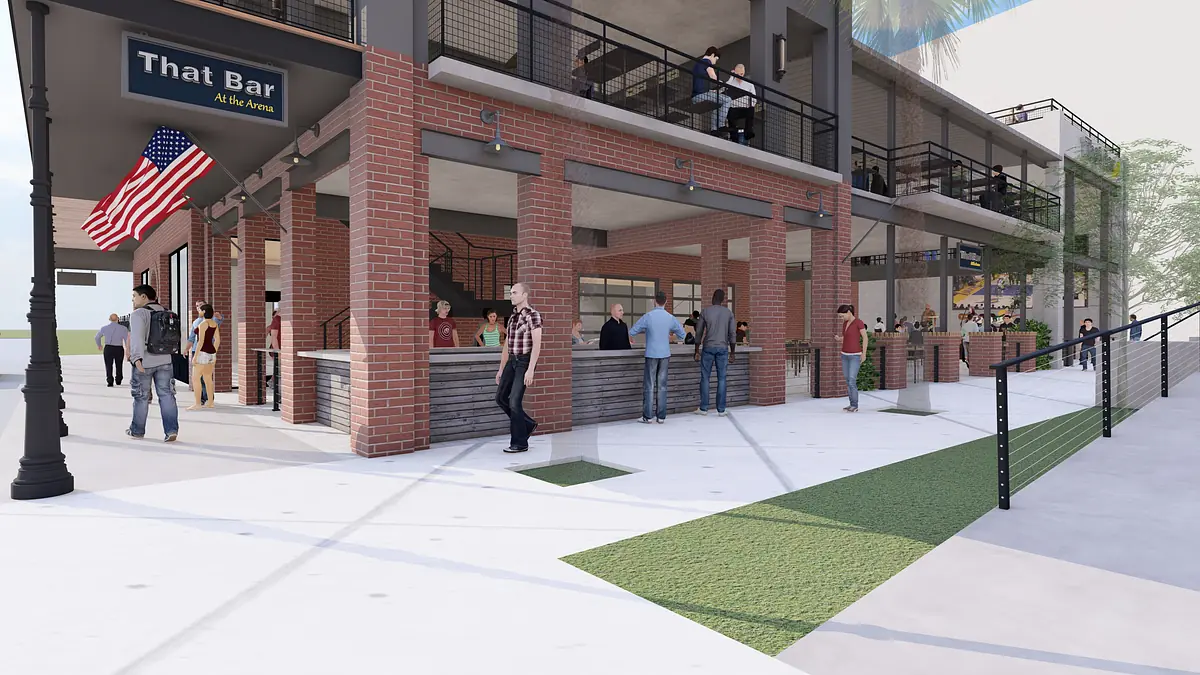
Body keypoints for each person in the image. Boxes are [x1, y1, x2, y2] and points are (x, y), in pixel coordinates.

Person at [126, 284, 179, 442]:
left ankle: (137, 430)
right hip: (166, 360)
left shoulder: (138, 314)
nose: (133, 300)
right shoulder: (167, 313)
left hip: (145, 362)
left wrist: (136, 359)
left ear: (144, 297)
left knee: (141, 397)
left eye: (134, 296)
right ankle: (171, 430)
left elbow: (137, 338)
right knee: (167, 395)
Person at [495, 283, 542, 454]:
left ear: (525, 295)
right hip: (511, 361)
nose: (511, 295)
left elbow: (537, 344)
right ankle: (527, 424)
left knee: (514, 401)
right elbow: (506, 345)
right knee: (500, 398)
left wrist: (531, 369)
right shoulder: (512, 317)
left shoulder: (533, 315)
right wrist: (501, 369)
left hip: (524, 362)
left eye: (514, 292)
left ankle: (520, 443)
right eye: (510, 293)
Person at [629, 292, 686, 424]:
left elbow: (632, 331)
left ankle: (647, 416)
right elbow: (682, 335)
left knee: (649, 385)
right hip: (665, 354)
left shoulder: (648, 316)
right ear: (666, 302)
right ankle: (661, 417)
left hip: (651, 354)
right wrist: (669, 336)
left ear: (655, 301)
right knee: (662, 385)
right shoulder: (670, 318)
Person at [693, 288, 737, 416]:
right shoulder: (728, 313)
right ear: (723, 300)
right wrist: (732, 352)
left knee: (705, 377)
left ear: (713, 298)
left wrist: (696, 350)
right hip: (723, 348)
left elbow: (699, 332)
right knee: (722, 378)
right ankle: (721, 409)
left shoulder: (705, 311)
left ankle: (703, 408)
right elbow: (732, 334)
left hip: (708, 347)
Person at [186, 300, 224, 405]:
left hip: (205, 351)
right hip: (196, 350)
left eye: (201, 306)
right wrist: (186, 349)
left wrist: (220, 317)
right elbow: (192, 338)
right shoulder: (196, 322)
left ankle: (206, 398)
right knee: (199, 377)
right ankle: (203, 398)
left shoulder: (211, 320)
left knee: (204, 376)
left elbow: (219, 320)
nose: (198, 308)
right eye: (197, 306)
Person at [836, 304, 869, 413]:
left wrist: (864, 353)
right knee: (847, 380)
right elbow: (847, 338)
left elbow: (865, 337)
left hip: (855, 355)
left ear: (848, 312)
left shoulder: (858, 322)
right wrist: (839, 339)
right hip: (844, 354)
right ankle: (851, 404)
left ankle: (854, 404)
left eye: (842, 316)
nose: (842, 318)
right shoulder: (845, 323)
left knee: (852, 380)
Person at [691, 46, 732, 134]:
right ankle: (720, 125)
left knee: (716, 103)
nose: (715, 62)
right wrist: (722, 83)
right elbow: (714, 77)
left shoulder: (697, 64)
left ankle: (714, 129)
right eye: (716, 59)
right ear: (713, 55)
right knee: (728, 99)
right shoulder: (707, 62)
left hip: (695, 96)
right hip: (702, 95)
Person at [724, 63, 756, 144]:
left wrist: (746, 104)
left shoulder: (749, 85)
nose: (740, 76)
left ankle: (748, 132)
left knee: (751, 110)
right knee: (730, 112)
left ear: (744, 73)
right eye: (738, 74)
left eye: (741, 74)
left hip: (745, 108)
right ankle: (733, 136)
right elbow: (724, 90)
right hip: (733, 108)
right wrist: (731, 77)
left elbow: (753, 100)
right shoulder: (731, 83)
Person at [95, 313, 129, 387]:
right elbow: (127, 340)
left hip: (108, 348)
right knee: (119, 365)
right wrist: (127, 349)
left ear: (109, 319)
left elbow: (97, 337)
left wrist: (99, 345)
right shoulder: (123, 328)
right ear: (118, 319)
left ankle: (110, 380)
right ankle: (118, 379)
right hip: (119, 348)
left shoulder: (104, 328)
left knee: (108, 365)